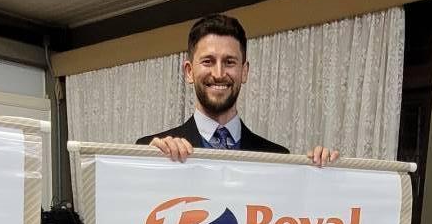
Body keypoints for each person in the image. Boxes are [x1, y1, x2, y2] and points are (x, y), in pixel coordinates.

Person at [136, 14, 338, 165]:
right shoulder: (153, 152)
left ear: (244, 71)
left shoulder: (277, 158)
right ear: (189, 72)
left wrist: (326, 175)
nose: (218, 73)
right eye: (208, 61)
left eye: (229, 62)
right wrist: (147, 166)